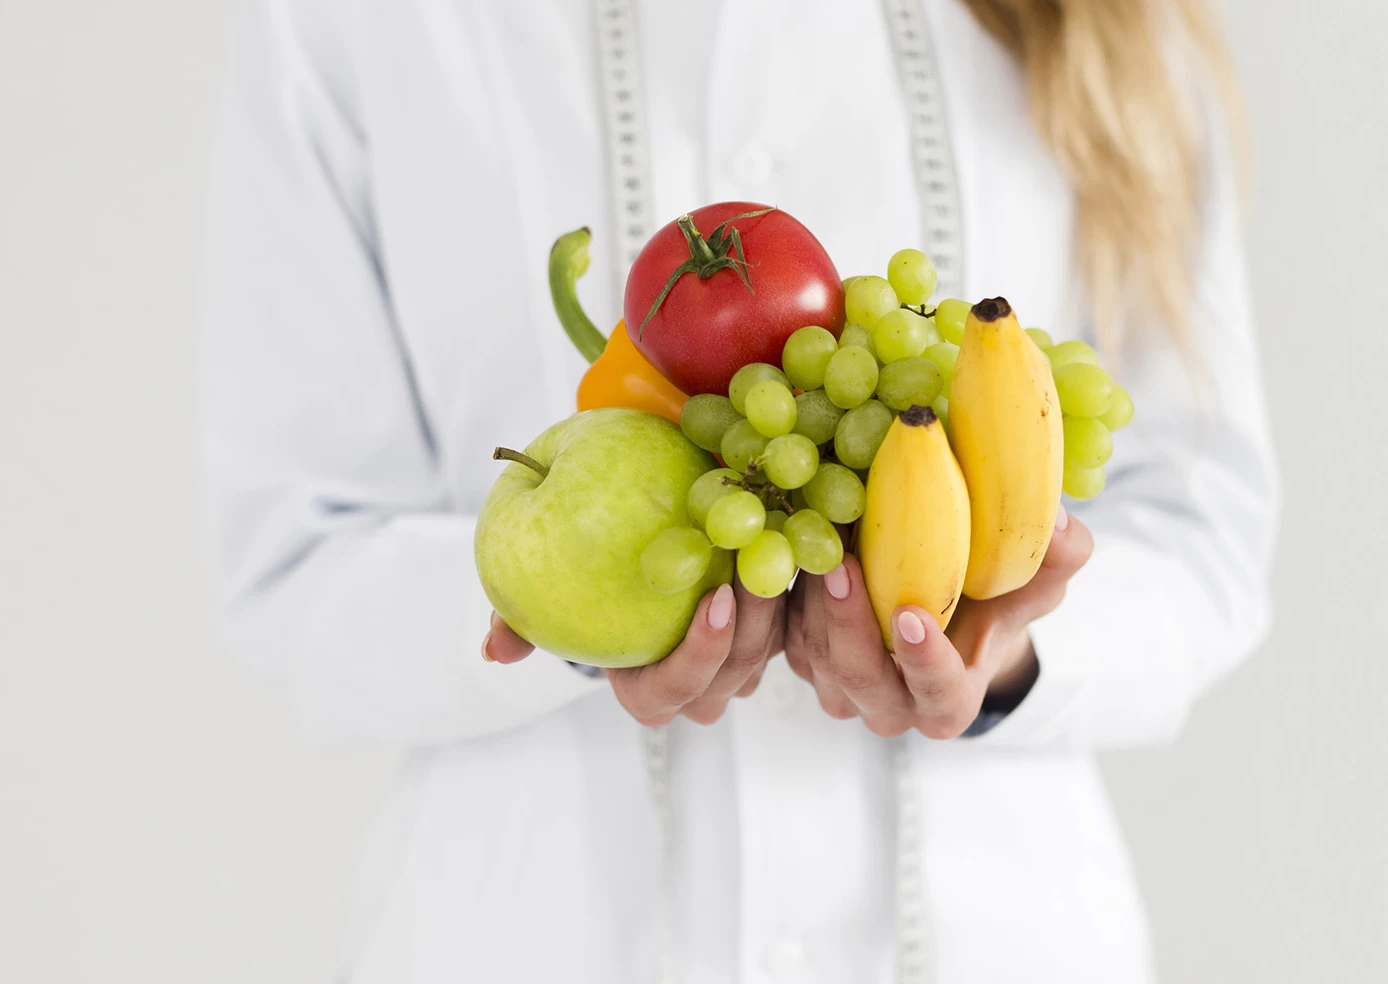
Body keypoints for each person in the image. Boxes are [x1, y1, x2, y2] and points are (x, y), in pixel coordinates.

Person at [199, 0, 1276, 981]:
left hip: (999, 937)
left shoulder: (1117, 25)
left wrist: (1010, 656)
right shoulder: (350, 23)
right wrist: (576, 613)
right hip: (532, 935)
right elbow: (296, 555)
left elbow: (1203, 531)